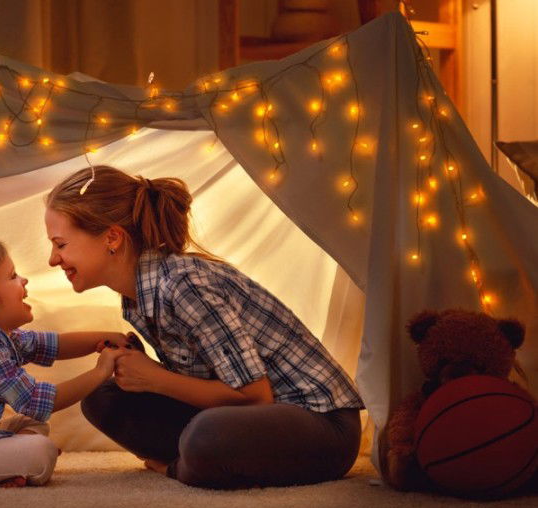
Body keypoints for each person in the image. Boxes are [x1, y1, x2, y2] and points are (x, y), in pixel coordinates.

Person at [44, 165, 365, 489]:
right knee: (102, 398)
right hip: (249, 421)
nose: (53, 260)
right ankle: (198, 461)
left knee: (206, 436)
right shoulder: (138, 298)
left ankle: (181, 467)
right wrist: (142, 373)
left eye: (61, 244)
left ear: (111, 238)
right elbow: (209, 381)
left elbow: (255, 397)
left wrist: (155, 378)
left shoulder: (184, 285)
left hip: (321, 427)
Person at [0, 239, 133, 487]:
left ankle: (6, 468)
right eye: (13, 276)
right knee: (41, 452)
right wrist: (101, 372)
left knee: (33, 425)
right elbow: (38, 401)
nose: (24, 280)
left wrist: (104, 338)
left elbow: (54, 345)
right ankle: (9, 466)